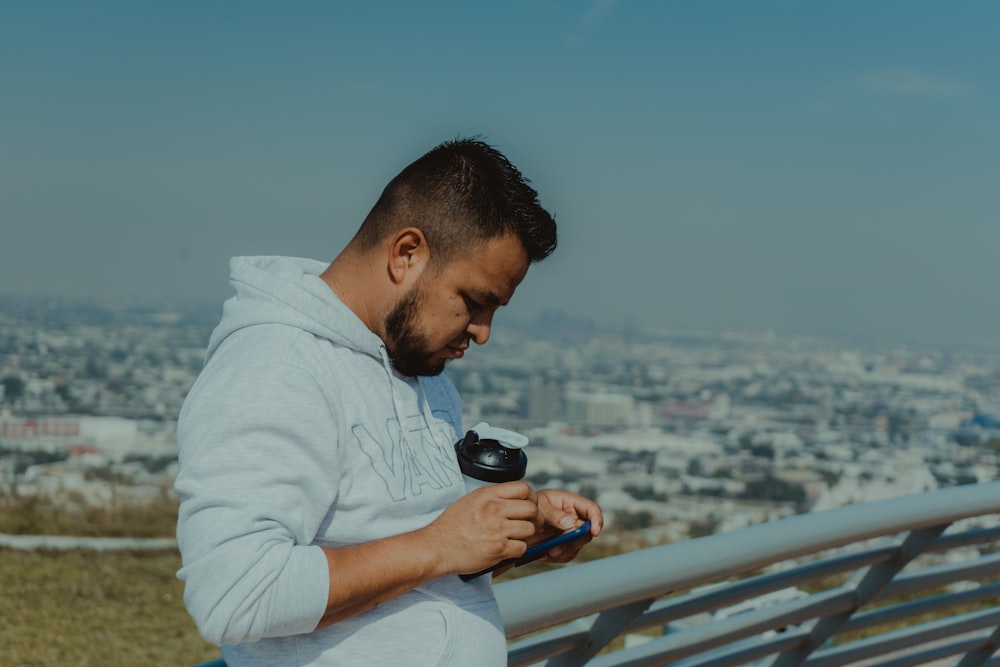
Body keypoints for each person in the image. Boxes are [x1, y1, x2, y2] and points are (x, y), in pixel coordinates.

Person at [174, 138, 604, 666]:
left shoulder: (421, 367)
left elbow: (420, 565)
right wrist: (441, 544)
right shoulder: (274, 366)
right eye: (474, 302)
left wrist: (507, 535)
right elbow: (234, 595)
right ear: (406, 254)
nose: (484, 332)